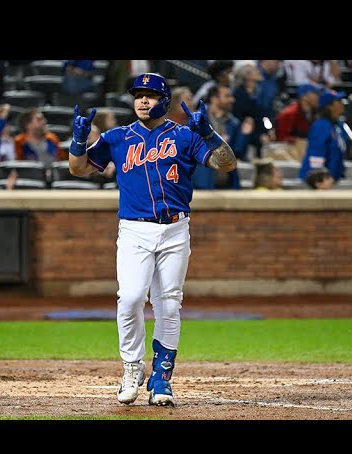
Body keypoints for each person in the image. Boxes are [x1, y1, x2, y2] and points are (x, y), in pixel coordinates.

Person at [68, 72, 237, 407]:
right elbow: (78, 169)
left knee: (169, 304)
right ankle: (132, 367)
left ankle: (162, 377)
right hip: (134, 230)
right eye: (138, 95)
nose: (143, 100)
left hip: (175, 229)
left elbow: (227, 164)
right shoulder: (118, 138)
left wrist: (208, 132)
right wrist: (77, 140)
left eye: (150, 95)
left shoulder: (185, 136)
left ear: (165, 101)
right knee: (130, 298)